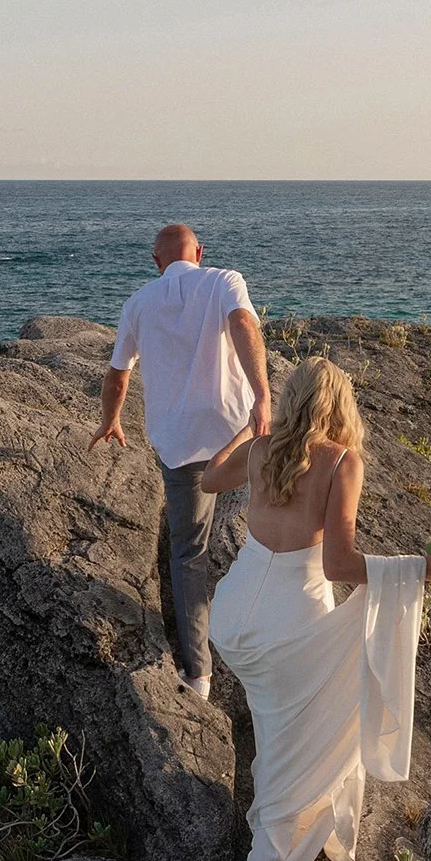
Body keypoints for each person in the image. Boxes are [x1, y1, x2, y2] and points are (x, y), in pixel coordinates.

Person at [201, 358, 431, 861]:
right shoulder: (342, 462)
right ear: (340, 405)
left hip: (234, 619)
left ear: (290, 400)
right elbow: (339, 561)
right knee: (294, 781)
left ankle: (298, 799)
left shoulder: (263, 449)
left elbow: (207, 477)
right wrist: (419, 570)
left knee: (289, 731)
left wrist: (246, 426)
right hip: (290, 630)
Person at [92, 223, 272, 700]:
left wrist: (111, 420)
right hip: (239, 435)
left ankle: (199, 677)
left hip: (181, 445)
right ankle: (267, 641)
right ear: (200, 252)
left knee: (190, 554)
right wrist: (263, 395)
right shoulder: (223, 280)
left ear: (156, 262)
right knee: (268, 533)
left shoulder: (138, 303)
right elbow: (244, 325)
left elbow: (117, 375)